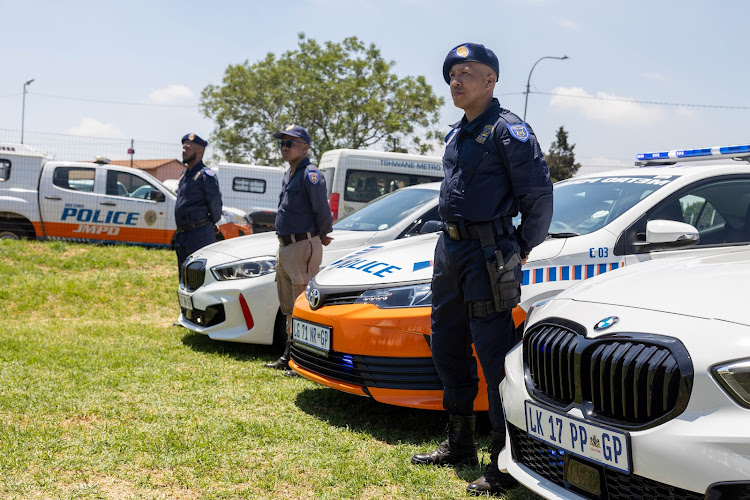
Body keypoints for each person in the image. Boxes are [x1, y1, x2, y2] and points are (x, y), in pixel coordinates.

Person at [410, 43, 553, 496]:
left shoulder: (509, 132)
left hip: (489, 255)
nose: (456, 80)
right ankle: (460, 443)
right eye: (452, 73)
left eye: (466, 73)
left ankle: (503, 460)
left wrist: (520, 247)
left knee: (494, 358)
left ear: (491, 81)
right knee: (447, 345)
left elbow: (539, 199)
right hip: (449, 251)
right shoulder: (456, 133)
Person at [264, 125, 333, 376]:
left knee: (302, 304)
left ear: (305, 147)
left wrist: (323, 235)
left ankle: (302, 361)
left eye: (290, 143)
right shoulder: (289, 174)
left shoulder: (310, 175)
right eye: (282, 143)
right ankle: (288, 355)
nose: (284, 147)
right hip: (285, 245)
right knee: (289, 306)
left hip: (304, 244)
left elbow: (322, 211)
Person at [174, 133, 223, 271]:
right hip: (182, 234)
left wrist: (211, 222)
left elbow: (215, 203)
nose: (184, 151)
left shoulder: (206, 175)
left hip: (199, 234)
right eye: (183, 148)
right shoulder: (184, 174)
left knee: (199, 274)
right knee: (184, 277)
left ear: (199, 151)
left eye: (188, 148)